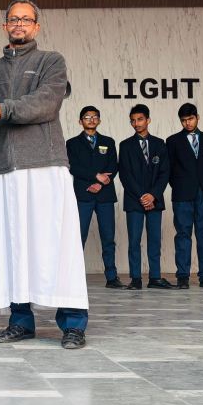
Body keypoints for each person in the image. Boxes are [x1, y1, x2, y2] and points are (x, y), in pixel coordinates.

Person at [0, 0, 89, 349]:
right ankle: (20, 320)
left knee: (57, 245)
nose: (19, 24)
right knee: (12, 246)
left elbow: (46, 103)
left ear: (36, 26)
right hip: (2, 170)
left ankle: (73, 323)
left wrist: (1, 110)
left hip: (45, 165)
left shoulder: (51, 61)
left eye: (26, 19)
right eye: (13, 19)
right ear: (4, 25)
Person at [166, 103, 203, 288]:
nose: (187, 123)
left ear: (197, 117)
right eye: (183, 120)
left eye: (190, 119)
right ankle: (183, 276)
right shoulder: (173, 141)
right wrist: (181, 186)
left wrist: (200, 187)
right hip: (182, 194)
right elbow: (169, 170)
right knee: (183, 234)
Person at [119, 104, 174, 290]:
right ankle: (135, 279)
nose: (136, 123)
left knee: (154, 240)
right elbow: (125, 175)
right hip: (134, 201)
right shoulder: (125, 145)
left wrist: (153, 195)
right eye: (133, 121)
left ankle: (155, 278)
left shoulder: (160, 144)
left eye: (140, 119)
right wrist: (143, 196)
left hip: (155, 201)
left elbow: (165, 172)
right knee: (134, 241)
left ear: (148, 120)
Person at [66, 106, 121, 289]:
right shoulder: (72, 143)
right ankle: (74, 279)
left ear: (99, 120)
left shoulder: (108, 141)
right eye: (87, 117)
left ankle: (112, 277)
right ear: (80, 121)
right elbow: (72, 166)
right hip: (84, 194)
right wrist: (95, 176)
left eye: (94, 117)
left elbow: (113, 166)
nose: (91, 120)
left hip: (105, 195)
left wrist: (100, 183)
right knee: (78, 237)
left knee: (108, 237)